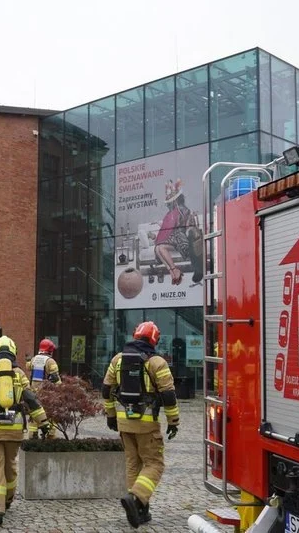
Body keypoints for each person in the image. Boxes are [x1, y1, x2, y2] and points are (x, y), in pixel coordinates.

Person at [0, 335, 51, 526]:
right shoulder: (19, 374)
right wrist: (43, 422)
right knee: (10, 465)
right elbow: (31, 400)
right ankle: (8, 498)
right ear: (13, 352)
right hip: (14, 428)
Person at [102, 321, 179, 529]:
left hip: (124, 422)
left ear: (136, 335)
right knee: (154, 464)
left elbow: (106, 389)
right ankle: (136, 498)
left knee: (133, 464)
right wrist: (173, 421)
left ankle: (139, 511)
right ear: (154, 339)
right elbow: (169, 395)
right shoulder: (157, 363)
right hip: (147, 424)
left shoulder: (117, 359)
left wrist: (110, 415)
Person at [153, 179, 203, 285]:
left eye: (170, 202)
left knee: (160, 247)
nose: (168, 204)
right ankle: (172, 272)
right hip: (174, 237)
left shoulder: (182, 210)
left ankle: (175, 270)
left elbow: (182, 226)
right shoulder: (173, 212)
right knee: (157, 248)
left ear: (175, 200)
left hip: (181, 238)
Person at [26, 339, 62, 439]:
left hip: (34, 395)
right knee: (50, 417)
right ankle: (50, 438)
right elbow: (55, 378)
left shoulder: (34, 359)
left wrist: (28, 360)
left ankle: (32, 438)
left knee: (34, 417)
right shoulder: (50, 361)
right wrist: (60, 391)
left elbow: (28, 367)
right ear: (50, 350)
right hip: (47, 395)